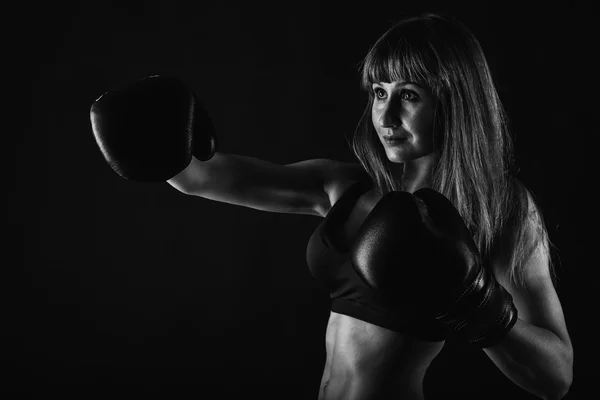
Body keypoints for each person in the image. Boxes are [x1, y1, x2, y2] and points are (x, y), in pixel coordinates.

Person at [90, 12, 573, 400]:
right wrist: (159, 140)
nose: (385, 116)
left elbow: (556, 377)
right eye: (378, 93)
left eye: (408, 96)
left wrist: (474, 303)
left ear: (455, 102)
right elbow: (204, 178)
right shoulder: (343, 186)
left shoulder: (499, 206)